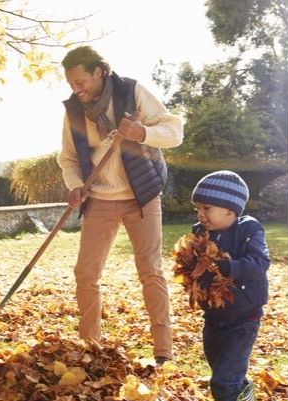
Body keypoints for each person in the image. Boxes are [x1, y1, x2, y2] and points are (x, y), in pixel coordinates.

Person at [56, 46, 183, 363]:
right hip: (100, 198)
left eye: (81, 81)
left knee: (150, 270)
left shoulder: (131, 92)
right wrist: (75, 186)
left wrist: (142, 132)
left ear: (99, 72)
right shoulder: (74, 111)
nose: (77, 89)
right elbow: (68, 159)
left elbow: (174, 131)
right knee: (86, 273)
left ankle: (164, 352)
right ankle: (90, 348)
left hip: (142, 195)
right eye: (71, 83)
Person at [190, 171, 270, 401]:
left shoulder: (249, 230)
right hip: (214, 317)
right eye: (198, 208)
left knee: (223, 380)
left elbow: (260, 263)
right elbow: (196, 264)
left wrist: (229, 267)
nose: (200, 214)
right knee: (225, 371)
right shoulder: (200, 232)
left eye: (206, 208)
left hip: (244, 318)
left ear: (230, 209)